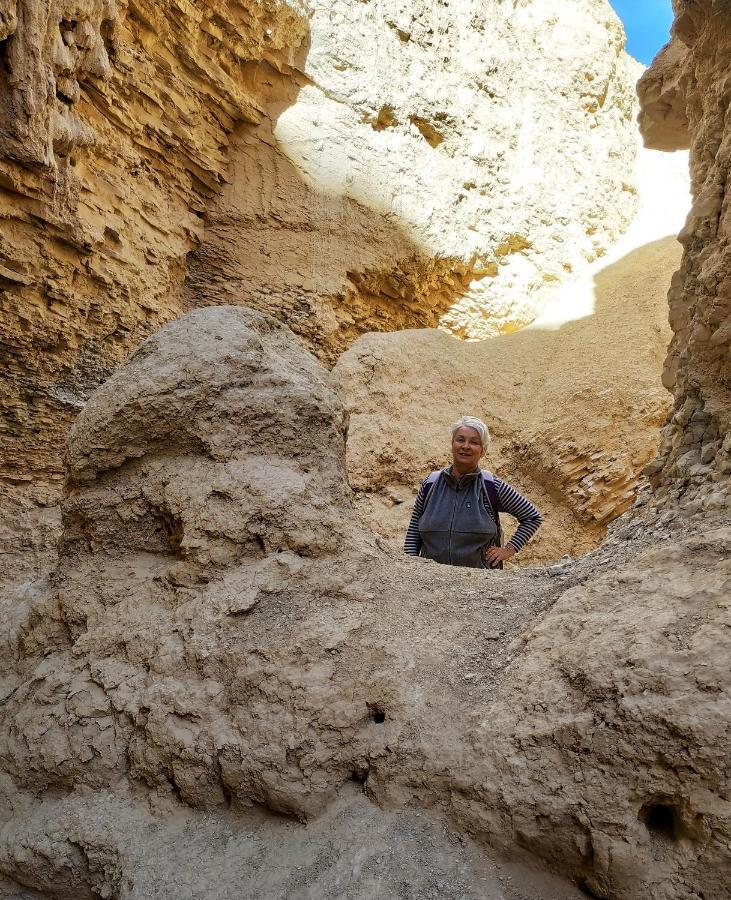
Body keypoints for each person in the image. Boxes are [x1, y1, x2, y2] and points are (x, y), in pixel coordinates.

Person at [404, 416, 543, 569]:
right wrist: (411, 567)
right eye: (460, 440)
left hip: (479, 586)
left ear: (483, 451)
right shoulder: (430, 484)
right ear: (452, 444)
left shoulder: (491, 487)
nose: (466, 446)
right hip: (431, 583)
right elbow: (413, 533)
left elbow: (532, 517)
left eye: (474, 442)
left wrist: (508, 550)